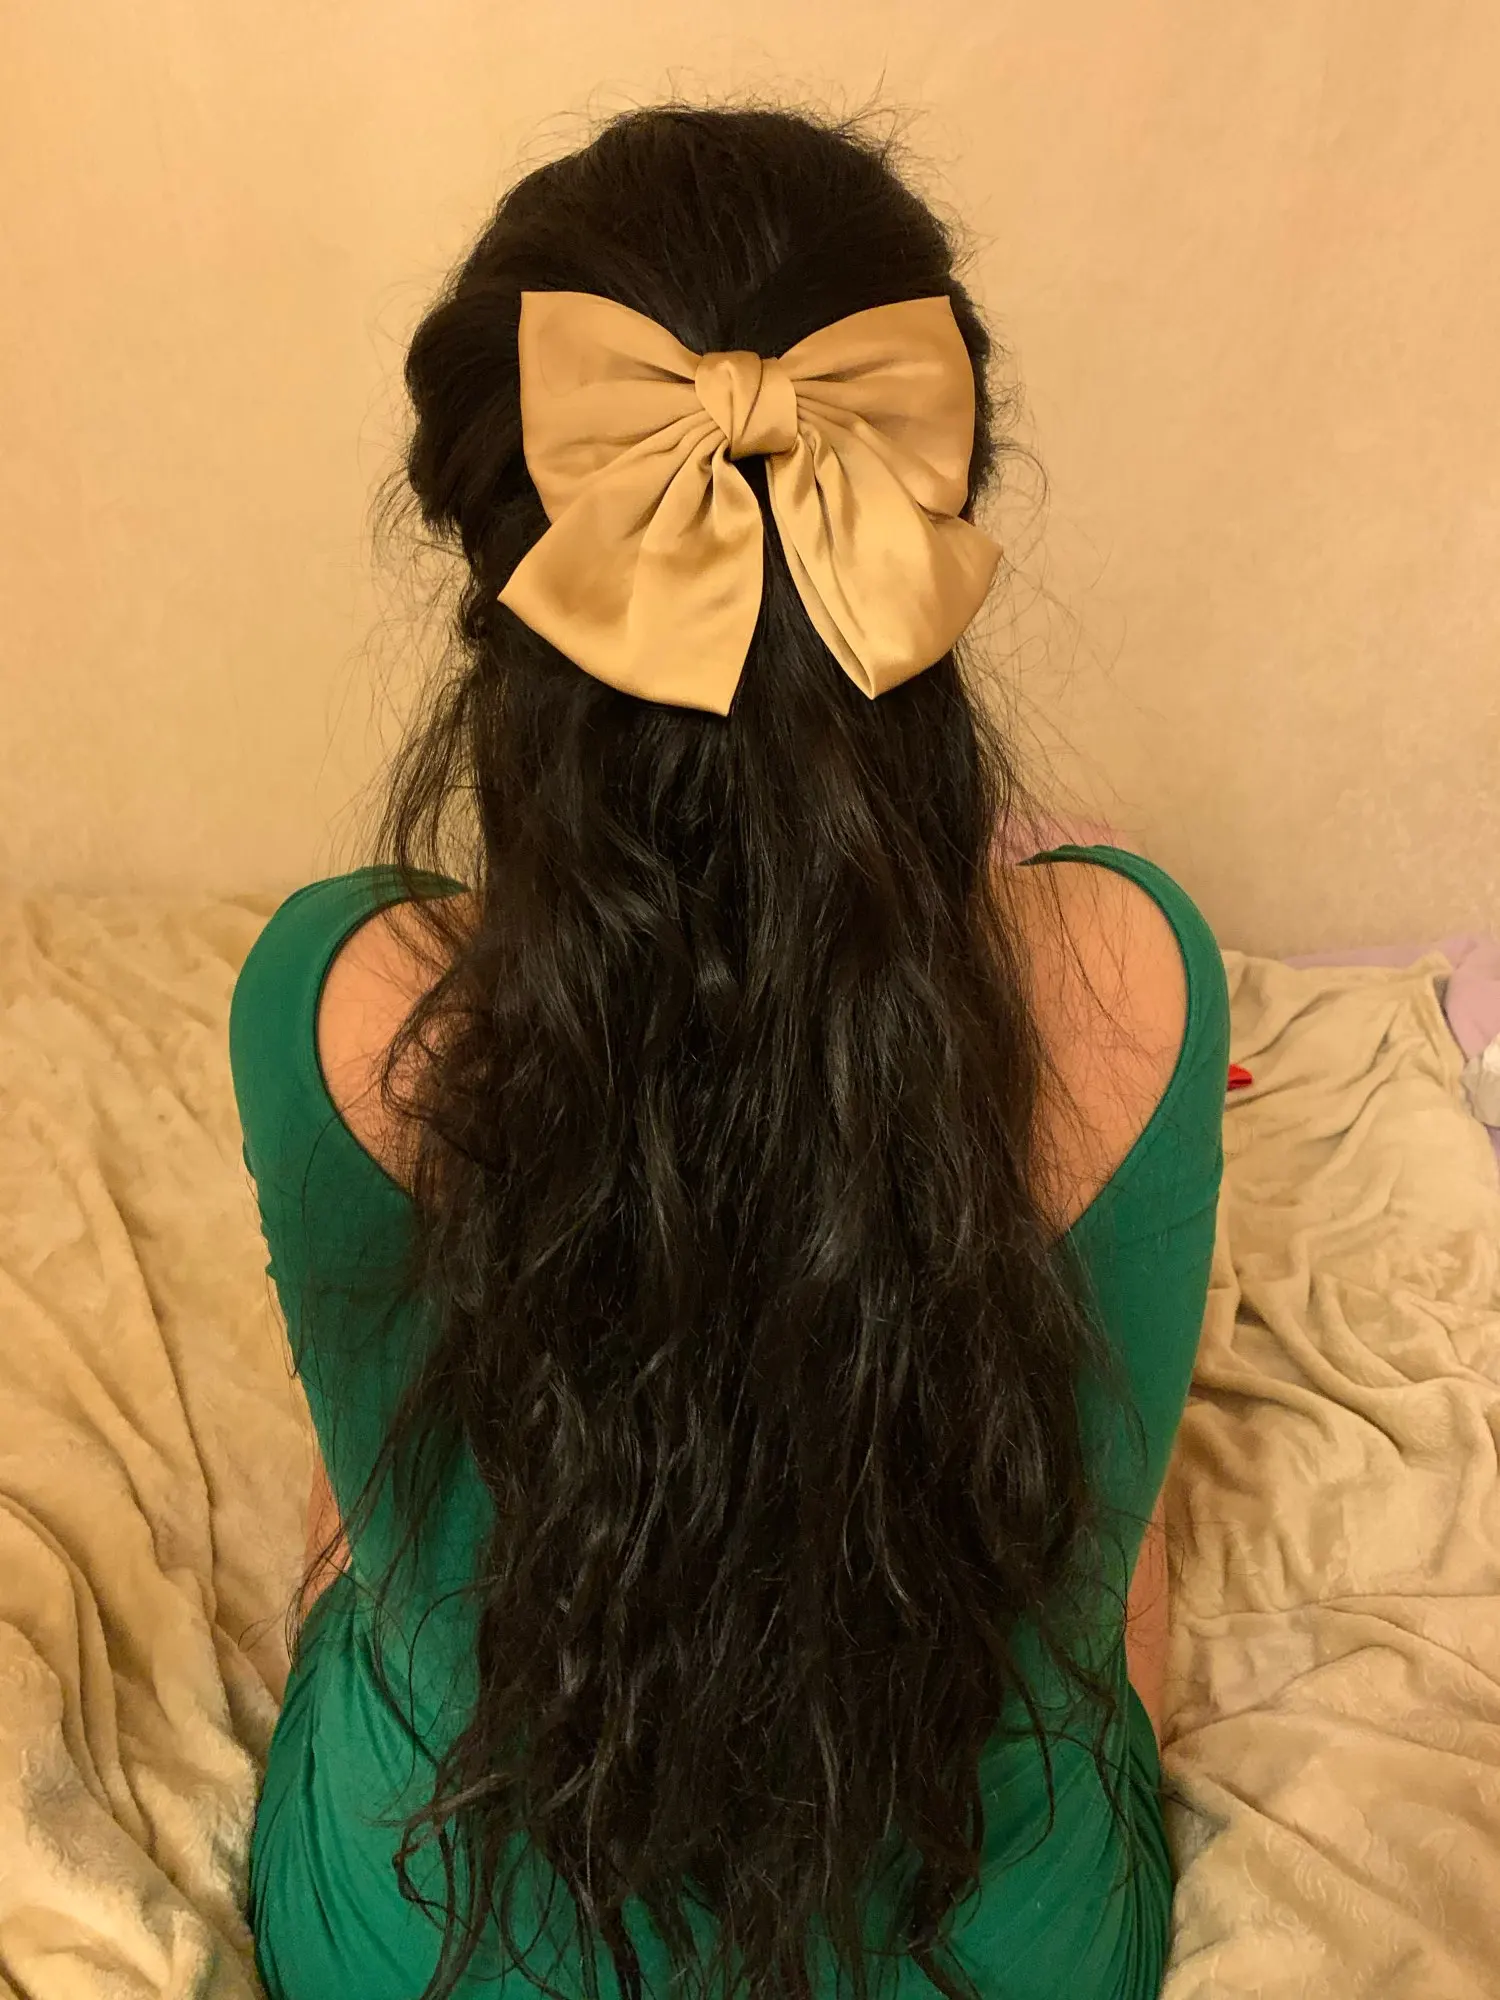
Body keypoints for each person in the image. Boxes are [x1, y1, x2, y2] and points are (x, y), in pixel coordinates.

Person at [230, 100, 1229, 2000]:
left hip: (428, 1947)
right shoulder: (1143, 975)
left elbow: (366, 1516)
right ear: (932, 516)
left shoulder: (336, 1002)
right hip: (1000, 1954)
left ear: (504, 574)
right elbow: (1118, 1587)